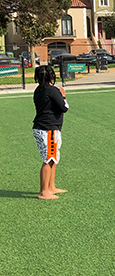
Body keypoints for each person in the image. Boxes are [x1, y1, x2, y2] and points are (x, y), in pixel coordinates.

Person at [32, 65, 69, 200]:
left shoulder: (38, 90)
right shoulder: (52, 90)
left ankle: (51, 186)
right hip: (48, 129)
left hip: (42, 128)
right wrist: (63, 97)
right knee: (48, 159)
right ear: (51, 76)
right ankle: (43, 191)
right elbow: (63, 108)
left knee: (53, 158)